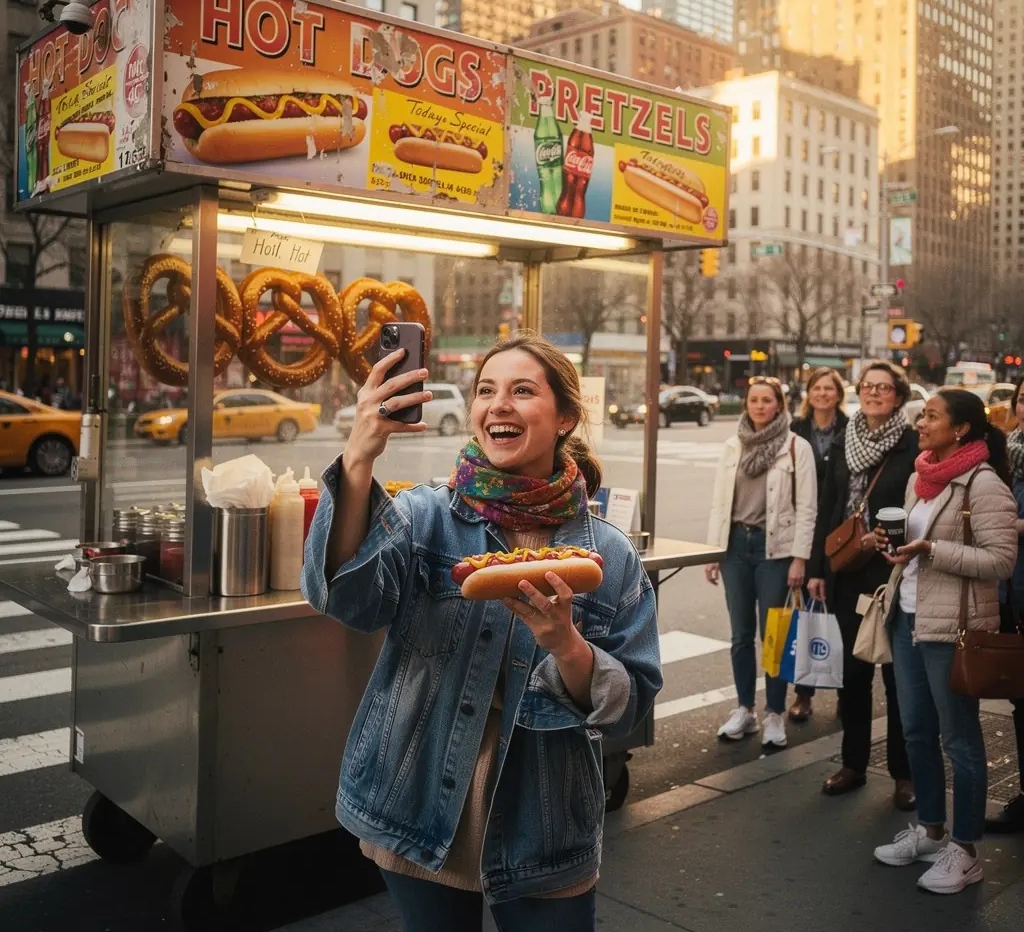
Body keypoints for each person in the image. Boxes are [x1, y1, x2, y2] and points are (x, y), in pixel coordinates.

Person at [301, 332, 662, 931]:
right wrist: (359, 459)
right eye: (486, 391)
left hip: (545, 817)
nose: (499, 404)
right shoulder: (424, 517)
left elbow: (631, 707)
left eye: (523, 391)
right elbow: (346, 601)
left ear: (565, 416)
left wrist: (567, 647)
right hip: (417, 796)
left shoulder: (609, 556)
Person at [873, 388, 1017, 894]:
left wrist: (933, 548)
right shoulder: (921, 475)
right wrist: (895, 549)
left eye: (931, 416)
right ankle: (932, 831)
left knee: (960, 739)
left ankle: (966, 848)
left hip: (952, 630)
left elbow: (1001, 561)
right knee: (915, 732)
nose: (921, 422)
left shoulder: (983, 482)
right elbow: (915, 545)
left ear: (961, 429)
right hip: (908, 619)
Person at [807, 361, 916, 809]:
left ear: (898, 396)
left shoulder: (911, 444)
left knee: (897, 678)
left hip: (892, 574)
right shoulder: (843, 441)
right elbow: (828, 506)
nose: (873, 394)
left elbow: (917, 507)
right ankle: (852, 764)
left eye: (883, 388)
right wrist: (818, 567)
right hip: (846, 572)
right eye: (868, 387)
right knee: (853, 674)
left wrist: (884, 538)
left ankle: (903, 774)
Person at [704, 377, 817, 749]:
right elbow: (719, 503)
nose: (759, 406)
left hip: (776, 550)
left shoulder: (795, 446)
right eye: (754, 400)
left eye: (767, 400)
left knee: (774, 636)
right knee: (739, 635)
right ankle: (744, 710)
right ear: (746, 404)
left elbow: (808, 509)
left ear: (779, 405)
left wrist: (800, 558)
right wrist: (713, 552)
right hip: (735, 545)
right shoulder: (731, 445)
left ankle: (774, 713)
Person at [788, 367, 849, 723]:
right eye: (817, 388)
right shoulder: (796, 430)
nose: (823, 394)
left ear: (838, 394)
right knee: (805, 615)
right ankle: (804, 694)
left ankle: (845, 693)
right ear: (809, 394)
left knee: (839, 614)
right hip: (802, 526)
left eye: (830, 388)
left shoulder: (849, 428)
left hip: (837, 527)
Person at [985, 378, 1024, 834]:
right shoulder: (1006, 456)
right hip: (1012, 591)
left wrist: (1014, 524)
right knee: (1021, 698)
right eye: (1022, 400)